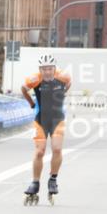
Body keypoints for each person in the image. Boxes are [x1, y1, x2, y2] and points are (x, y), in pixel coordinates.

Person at [20, 53, 71, 202]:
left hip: (57, 119)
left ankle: (53, 179)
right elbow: (23, 89)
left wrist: (61, 95)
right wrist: (31, 103)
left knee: (56, 149)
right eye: (44, 69)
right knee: (40, 151)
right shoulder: (34, 79)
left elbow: (69, 83)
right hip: (41, 119)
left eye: (50, 68)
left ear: (55, 69)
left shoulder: (64, 77)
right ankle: (35, 182)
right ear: (40, 69)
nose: (47, 72)